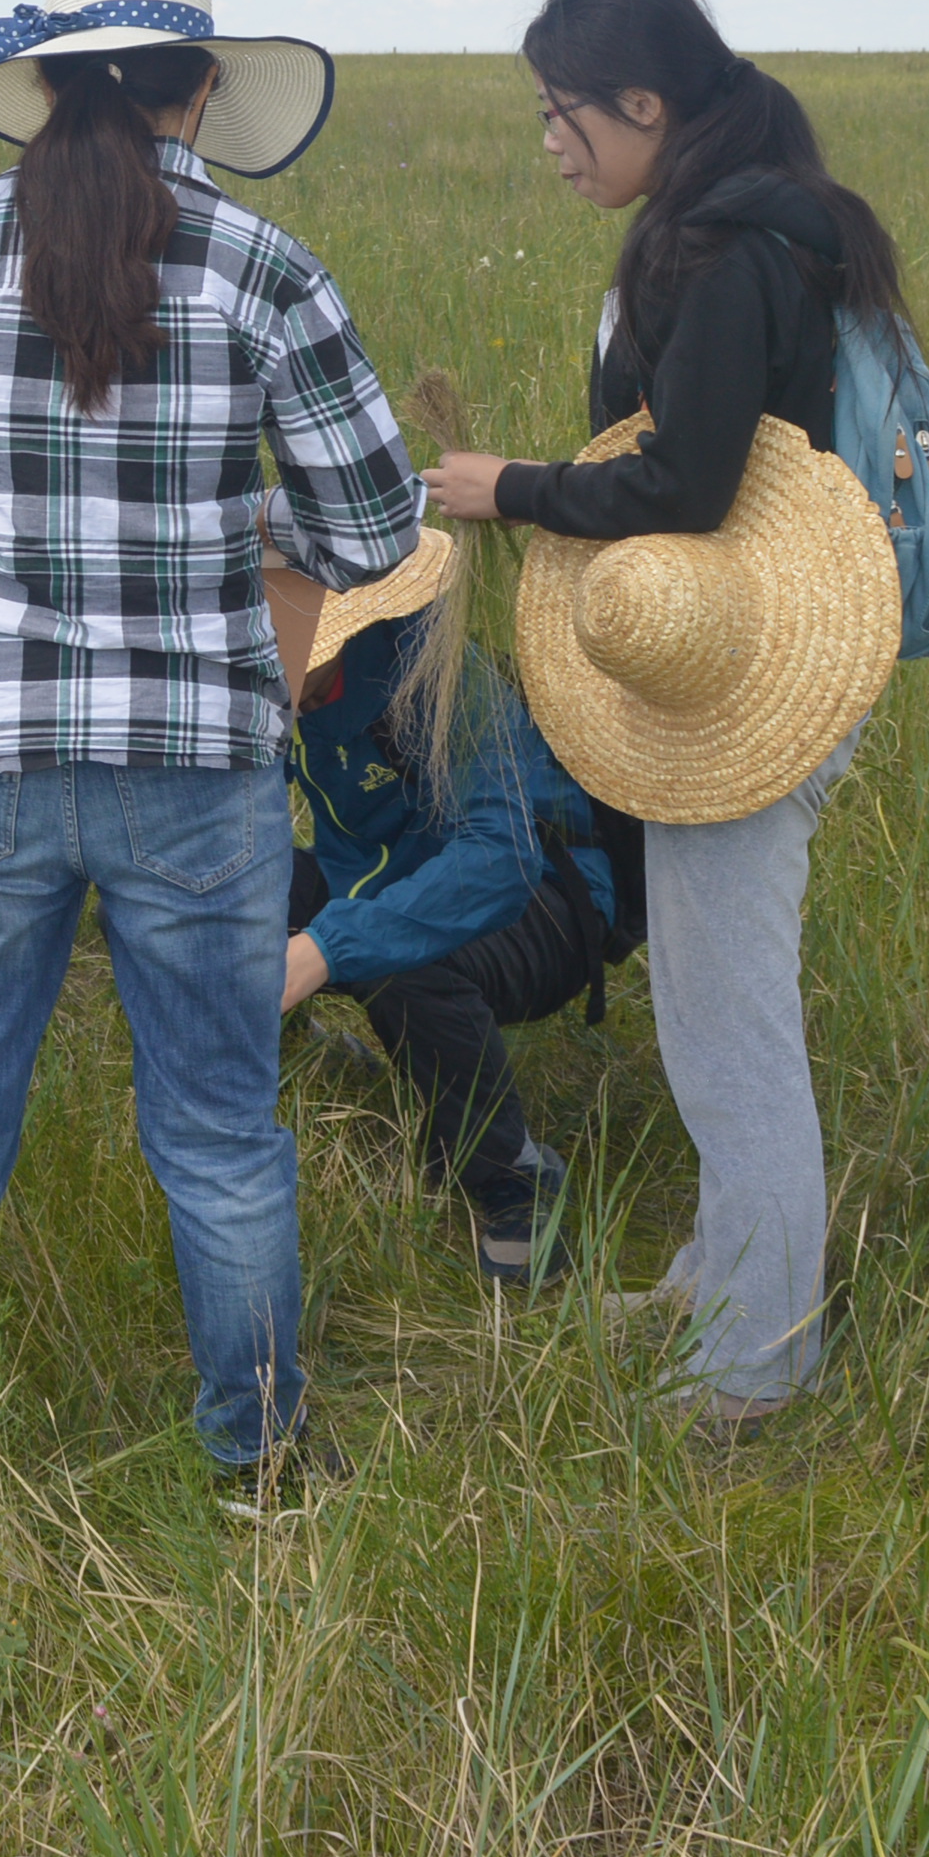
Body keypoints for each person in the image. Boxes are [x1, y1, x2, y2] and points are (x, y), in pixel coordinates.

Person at [0, 0, 417, 1492]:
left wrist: (12, 543)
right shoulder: (266, 266)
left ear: (46, 85)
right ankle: (261, 1460)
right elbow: (376, 533)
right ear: (204, 89)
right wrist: (241, 530)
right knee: (221, 1139)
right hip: (200, 766)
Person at [416, 0, 910, 1437]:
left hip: (746, 671)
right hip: (738, 652)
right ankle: (719, 1283)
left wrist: (511, 488)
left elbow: (686, 483)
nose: (549, 143)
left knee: (734, 1029)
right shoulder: (753, 219)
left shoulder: (725, 249)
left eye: (560, 112)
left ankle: (757, 1371)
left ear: (643, 103)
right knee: (706, 1008)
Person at [269, 530, 628, 1288]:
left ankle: (513, 1177)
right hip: (380, 879)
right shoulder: (278, 692)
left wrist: (325, 948)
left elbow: (501, 860)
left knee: (405, 965)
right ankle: (280, 1048)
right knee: (210, 899)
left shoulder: (438, 677)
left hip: (547, 902)